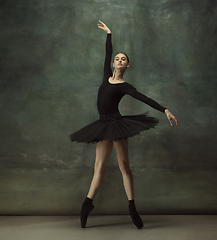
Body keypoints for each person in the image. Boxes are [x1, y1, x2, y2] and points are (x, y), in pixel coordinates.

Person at [69, 20, 178, 229]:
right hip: (102, 125)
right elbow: (107, 53)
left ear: (127, 65)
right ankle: (87, 204)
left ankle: (132, 207)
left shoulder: (125, 86)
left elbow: (144, 99)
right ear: (113, 64)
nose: (119, 60)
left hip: (117, 125)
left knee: (124, 166)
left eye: (123, 59)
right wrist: (109, 34)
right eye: (117, 58)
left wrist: (165, 109)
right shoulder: (105, 76)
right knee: (98, 167)